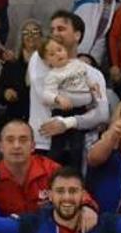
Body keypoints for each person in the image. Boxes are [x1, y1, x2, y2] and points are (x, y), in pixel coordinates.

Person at [28, 10, 110, 155]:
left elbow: (102, 113)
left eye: (61, 29)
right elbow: (48, 97)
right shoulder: (40, 59)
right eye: (52, 29)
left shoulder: (93, 73)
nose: (55, 33)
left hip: (78, 148)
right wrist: (85, 99)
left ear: (77, 35)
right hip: (42, 143)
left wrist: (69, 122)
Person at [39, 35, 101, 170]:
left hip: (80, 112)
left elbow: (85, 78)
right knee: (57, 149)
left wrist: (92, 85)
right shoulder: (53, 75)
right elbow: (46, 95)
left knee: (77, 148)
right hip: (61, 112)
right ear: (47, 61)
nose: (57, 54)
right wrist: (58, 98)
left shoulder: (78, 65)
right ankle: (50, 175)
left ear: (66, 50)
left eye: (59, 49)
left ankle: (75, 176)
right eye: (51, 54)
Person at [0, 19, 39, 141]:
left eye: (35, 32)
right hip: (14, 119)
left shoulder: (48, 64)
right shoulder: (12, 64)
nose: (30, 36)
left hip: (39, 121)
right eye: (26, 32)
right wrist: (5, 93)